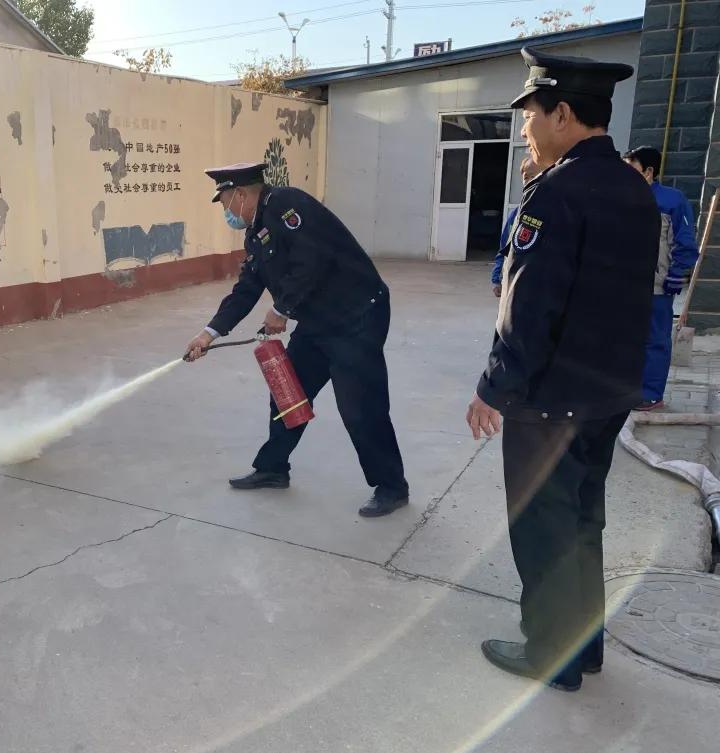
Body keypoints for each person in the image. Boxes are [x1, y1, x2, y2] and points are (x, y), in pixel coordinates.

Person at [464, 47, 659, 691]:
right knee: (582, 519)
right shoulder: (635, 186)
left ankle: (552, 653)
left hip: (551, 399)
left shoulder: (556, 194)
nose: (525, 129)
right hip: (608, 393)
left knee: (544, 526)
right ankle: (584, 646)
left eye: (531, 116)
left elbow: (529, 309)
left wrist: (493, 389)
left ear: (564, 113)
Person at [184, 162, 410, 518]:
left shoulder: (287, 206)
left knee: (360, 407)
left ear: (242, 195)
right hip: (317, 321)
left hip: (357, 317)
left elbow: (312, 258)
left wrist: (281, 308)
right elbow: (247, 288)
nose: (226, 211)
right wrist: (210, 332)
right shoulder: (256, 232)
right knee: (287, 394)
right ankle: (273, 468)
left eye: (226, 202)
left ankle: (392, 486)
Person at [623, 145, 700, 411]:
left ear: (648, 171)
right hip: (624, 284)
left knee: (654, 340)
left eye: (630, 168)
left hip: (656, 285)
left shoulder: (672, 200)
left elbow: (686, 243)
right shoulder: (623, 199)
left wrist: (676, 274)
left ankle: (651, 394)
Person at [491, 157, 546, 297]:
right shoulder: (516, 215)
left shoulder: (553, 214)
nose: (529, 181)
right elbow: (504, 248)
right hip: (511, 286)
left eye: (534, 176)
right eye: (526, 177)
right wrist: (497, 279)